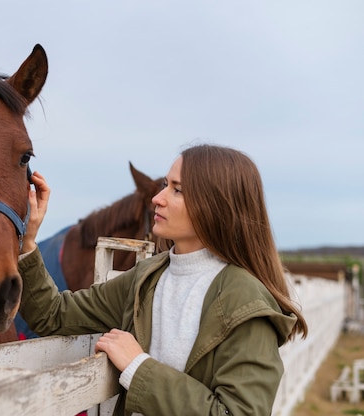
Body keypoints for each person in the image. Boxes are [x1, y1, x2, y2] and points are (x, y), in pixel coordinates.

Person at [18, 143, 308, 415]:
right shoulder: (147, 278)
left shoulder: (246, 301)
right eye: (164, 186)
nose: (158, 198)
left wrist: (138, 366)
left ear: (215, 205)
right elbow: (52, 315)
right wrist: (28, 241)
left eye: (177, 190)